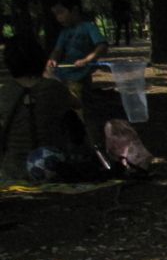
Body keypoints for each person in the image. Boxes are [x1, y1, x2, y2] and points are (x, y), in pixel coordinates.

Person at [0, 34, 96, 182]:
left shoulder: (5, 92)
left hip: (12, 170)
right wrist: (52, 76)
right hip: (54, 167)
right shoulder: (53, 88)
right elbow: (77, 104)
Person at [45, 0, 109, 150]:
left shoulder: (88, 27)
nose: (59, 18)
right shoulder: (64, 32)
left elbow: (102, 46)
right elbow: (57, 50)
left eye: (61, 13)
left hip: (79, 77)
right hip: (63, 76)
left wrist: (87, 60)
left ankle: (89, 144)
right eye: (56, 14)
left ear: (74, 10)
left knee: (81, 111)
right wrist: (53, 59)